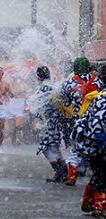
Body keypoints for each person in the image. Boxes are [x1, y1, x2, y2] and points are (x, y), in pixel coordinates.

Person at [60, 57, 102, 186]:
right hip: (96, 121)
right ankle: (94, 176)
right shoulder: (98, 82)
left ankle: (72, 176)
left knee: (76, 148)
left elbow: (65, 102)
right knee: (96, 147)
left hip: (79, 121)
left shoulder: (68, 83)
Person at [72, 64, 106, 217]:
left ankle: (89, 202)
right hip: (98, 145)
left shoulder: (99, 96)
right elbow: (98, 125)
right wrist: (103, 142)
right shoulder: (103, 98)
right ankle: (100, 207)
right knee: (103, 175)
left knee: (99, 174)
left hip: (91, 144)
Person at [30, 66, 67, 183]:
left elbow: (38, 107)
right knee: (54, 145)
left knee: (46, 147)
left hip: (49, 121)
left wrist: (36, 117)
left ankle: (60, 170)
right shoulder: (54, 85)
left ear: (38, 77)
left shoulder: (42, 88)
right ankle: (62, 171)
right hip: (58, 121)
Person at [0, 67, 13, 152]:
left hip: (2, 107)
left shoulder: (5, 84)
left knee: (1, 128)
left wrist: (8, 93)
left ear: (2, 74)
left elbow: (11, 95)